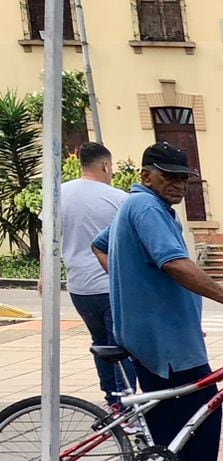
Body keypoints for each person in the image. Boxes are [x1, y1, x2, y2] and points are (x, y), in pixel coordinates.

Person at [89, 143, 223, 461]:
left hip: (166, 334)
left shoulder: (144, 208)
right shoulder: (145, 206)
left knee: (185, 414)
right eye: (169, 176)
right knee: (197, 415)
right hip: (161, 339)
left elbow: (100, 246)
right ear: (146, 175)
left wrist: (132, 282)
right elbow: (175, 265)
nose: (178, 184)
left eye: (183, 178)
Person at [60, 141, 135, 403]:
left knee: (100, 344)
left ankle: (111, 400)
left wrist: (42, 277)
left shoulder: (58, 194)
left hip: (78, 287)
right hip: (111, 284)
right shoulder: (118, 198)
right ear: (105, 165)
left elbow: (50, 237)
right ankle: (126, 403)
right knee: (122, 347)